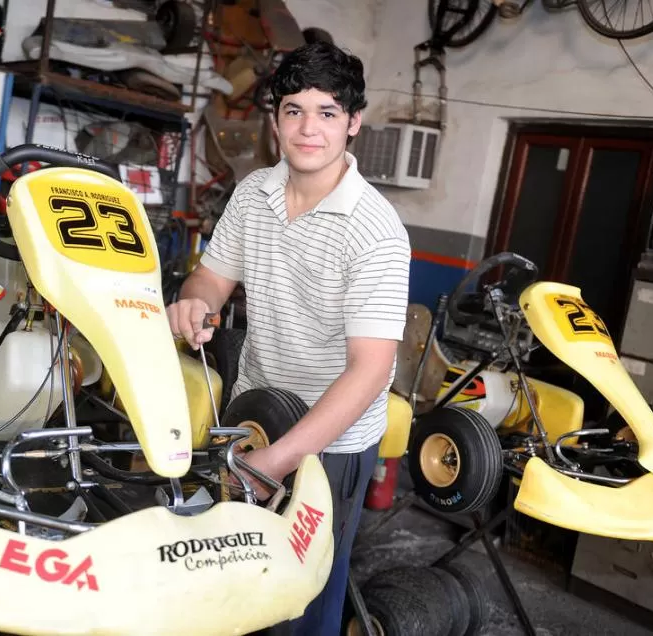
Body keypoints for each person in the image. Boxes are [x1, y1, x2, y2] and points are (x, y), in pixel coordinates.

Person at [166, 40, 411, 634]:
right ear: (274, 119)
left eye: (327, 113)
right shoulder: (254, 194)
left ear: (353, 123)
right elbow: (212, 276)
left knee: (304, 599)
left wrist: (278, 461)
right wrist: (197, 300)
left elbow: (369, 370)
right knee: (237, 577)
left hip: (334, 441)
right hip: (256, 411)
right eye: (293, 110)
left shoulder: (376, 232)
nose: (308, 129)